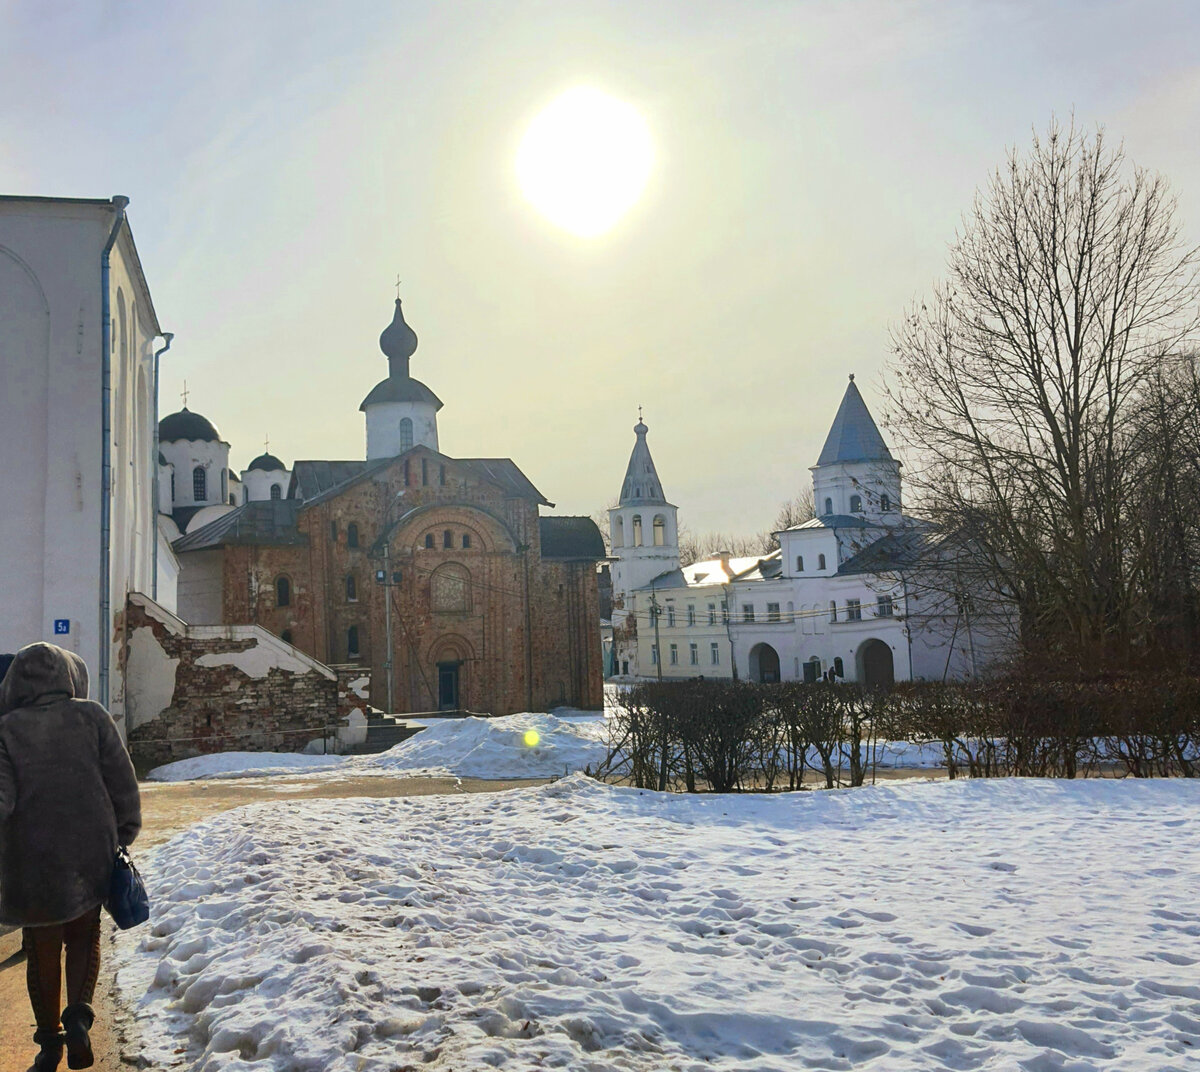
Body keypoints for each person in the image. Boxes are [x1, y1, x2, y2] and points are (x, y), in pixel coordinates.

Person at [0, 643, 141, 1071]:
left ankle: (48, 1043)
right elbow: (121, 778)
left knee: (41, 945)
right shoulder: (93, 716)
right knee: (84, 936)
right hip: (89, 851)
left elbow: (2, 801)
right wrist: (126, 829)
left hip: (31, 859)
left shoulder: (5, 730)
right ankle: (78, 1019)